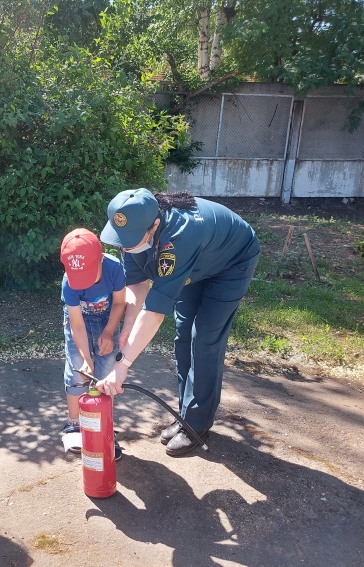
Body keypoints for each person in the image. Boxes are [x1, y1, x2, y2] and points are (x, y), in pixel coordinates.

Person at [95, 189, 260, 457]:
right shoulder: (134, 232)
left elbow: (155, 312)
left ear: (155, 225)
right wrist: (126, 330)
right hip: (199, 263)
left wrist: (123, 365)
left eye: (130, 240)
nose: (125, 246)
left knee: (205, 338)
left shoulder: (182, 235)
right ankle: (186, 417)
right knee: (183, 334)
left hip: (232, 261)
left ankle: (197, 426)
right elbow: (137, 285)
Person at [59, 228, 126, 460]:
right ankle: (74, 424)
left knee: (106, 374)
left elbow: (119, 303)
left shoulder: (114, 268)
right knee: (78, 368)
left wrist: (108, 332)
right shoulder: (69, 282)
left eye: (89, 273)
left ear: (101, 257)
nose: (83, 282)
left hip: (107, 319)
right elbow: (76, 325)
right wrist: (87, 358)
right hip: (79, 322)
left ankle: (105, 427)